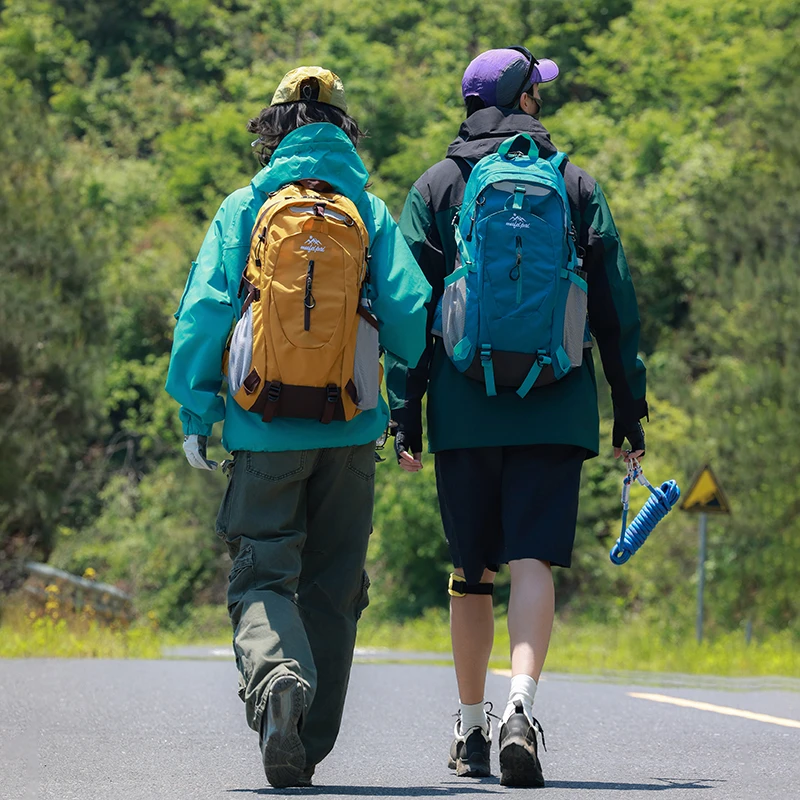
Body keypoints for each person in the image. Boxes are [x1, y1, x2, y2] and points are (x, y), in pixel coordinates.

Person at [386, 48, 648, 787]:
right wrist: (630, 410)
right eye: (539, 88)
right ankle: (520, 712)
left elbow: (411, 313)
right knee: (534, 560)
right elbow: (615, 306)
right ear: (524, 100)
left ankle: (471, 732)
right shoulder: (572, 183)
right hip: (556, 403)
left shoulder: (437, 185)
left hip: (465, 409)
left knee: (472, 572)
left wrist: (405, 412)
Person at [166, 66, 430, 789]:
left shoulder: (244, 209)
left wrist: (198, 411)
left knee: (262, 570)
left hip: (260, 426)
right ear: (345, 128)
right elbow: (412, 321)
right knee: (335, 586)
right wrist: (401, 391)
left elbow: (203, 314)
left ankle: (279, 680)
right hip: (349, 432)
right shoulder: (369, 213)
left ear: (273, 128)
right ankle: (305, 745)